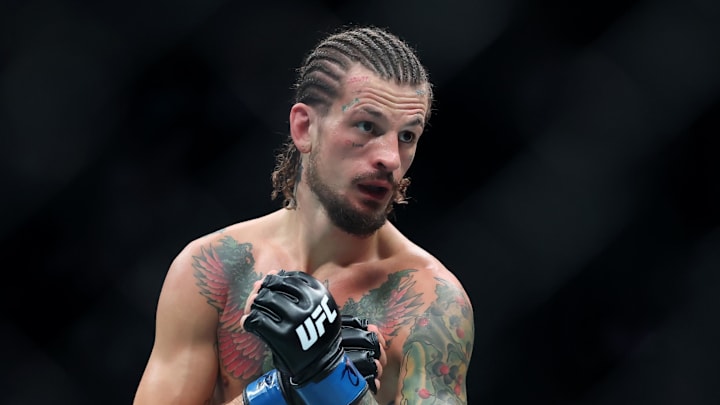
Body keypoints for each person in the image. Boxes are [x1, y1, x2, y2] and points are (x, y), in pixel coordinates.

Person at [133, 25, 475, 405]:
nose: (390, 158)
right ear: (305, 127)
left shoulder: (432, 301)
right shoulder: (214, 269)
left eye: (407, 136)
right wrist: (286, 392)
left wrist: (334, 384)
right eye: (367, 126)